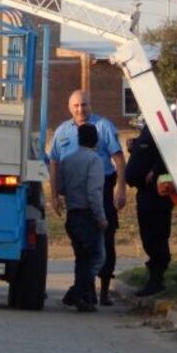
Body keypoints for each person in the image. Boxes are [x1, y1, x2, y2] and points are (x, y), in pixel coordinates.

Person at [48, 90, 126, 306]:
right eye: (76, 106)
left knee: (105, 242)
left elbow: (118, 158)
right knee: (83, 248)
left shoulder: (103, 126)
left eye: (84, 105)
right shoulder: (62, 131)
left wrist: (121, 188)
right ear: (69, 107)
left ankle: (102, 291)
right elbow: (54, 162)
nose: (80, 109)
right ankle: (84, 292)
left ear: (90, 105)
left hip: (101, 189)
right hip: (76, 195)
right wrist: (54, 195)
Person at [55, 123, 107, 312]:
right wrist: (101, 217)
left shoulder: (67, 159)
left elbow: (60, 187)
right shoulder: (95, 160)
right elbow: (94, 192)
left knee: (82, 258)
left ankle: (83, 297)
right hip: (87, 215)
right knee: (96, 257)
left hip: (72, 214)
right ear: (95, 139)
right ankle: (75, 293)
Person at [125, 124, 173, 297]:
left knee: (157, 235)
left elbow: (168, 152)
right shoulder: (147, 128)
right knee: (147, 236)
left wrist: (155, 170)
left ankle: (157, 278)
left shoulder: (165, 127)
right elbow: (148, 150)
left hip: (157, 194)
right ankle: (153, 275)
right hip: (144, 192)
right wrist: (134, 145)